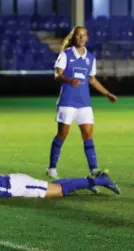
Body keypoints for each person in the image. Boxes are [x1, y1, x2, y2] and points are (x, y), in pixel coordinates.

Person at [47, 26, 118, 180]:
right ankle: (52, 167)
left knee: (88, 135)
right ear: (74, 37)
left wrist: (107, 93)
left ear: (87, 38)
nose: (81, 37)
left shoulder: (90, 57)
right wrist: (68, 79)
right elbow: (57, 75)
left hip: (84, 103)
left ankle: (93, 169)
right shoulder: (65, 55)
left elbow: (92, 79)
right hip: (67, 101)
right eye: (78, 35)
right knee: (62, 134)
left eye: (84, 35)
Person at [0, 153, 120, 199]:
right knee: (55, 187)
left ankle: (101, 179)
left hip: (19, 187)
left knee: (59, 191)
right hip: (16, 182)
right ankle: (88, 182)